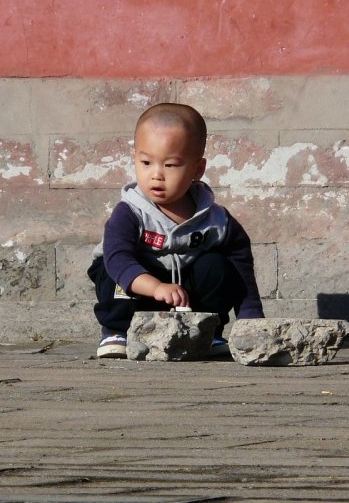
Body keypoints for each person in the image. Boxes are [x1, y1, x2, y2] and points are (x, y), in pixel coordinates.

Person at [87, 103, 265, 359]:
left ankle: (207, 329)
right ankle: (117, 331)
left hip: (184, 297)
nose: (156, 175)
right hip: (139, 288)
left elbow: (241, 267)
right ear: (134, 158)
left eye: (170, 165)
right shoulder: (130, 212)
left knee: (218, 266)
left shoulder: (215, 220)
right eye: (146, 162)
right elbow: (118, 258)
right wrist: (156, 286)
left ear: (197, 169)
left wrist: (250, 315)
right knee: (110, 269)